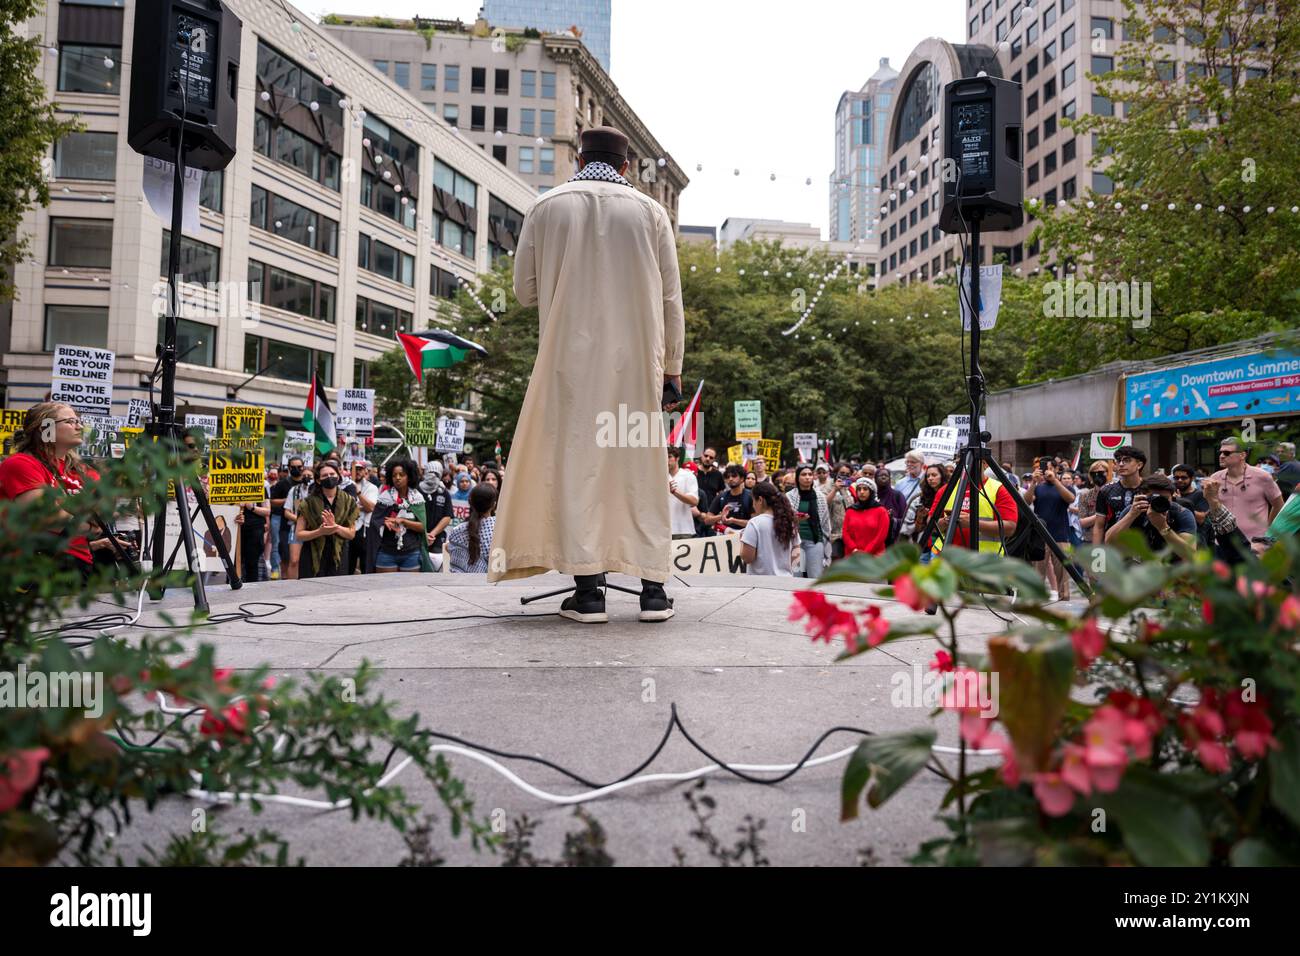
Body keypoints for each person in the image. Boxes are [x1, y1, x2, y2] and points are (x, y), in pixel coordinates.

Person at [488, 125, 683, 626]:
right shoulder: (652, 213)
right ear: (625, 167)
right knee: (639, 468)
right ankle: (654, 592)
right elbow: (669, 301)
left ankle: (589, 592)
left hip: (567, 369)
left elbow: (526, 292)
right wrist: (672, 370)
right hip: (636, 370)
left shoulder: (547, 206)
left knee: (576, 468)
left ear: (578, 159)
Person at [0, 402, 122, 583]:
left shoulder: (83, 471)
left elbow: (106, 514)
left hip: (79, 565)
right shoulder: (21, 464)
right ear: (45, 428)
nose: (79, 426)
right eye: (70, 421)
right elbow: (48, 518)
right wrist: (89, 524)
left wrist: (69, 513)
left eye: (78, 421)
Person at [1210, 437, 1283, 555]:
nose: (1222, 456)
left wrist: (1268, 531)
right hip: (1223, 544)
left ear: (1242, 455)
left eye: (1227, 453)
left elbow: (1278, 505)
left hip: (1255, 545)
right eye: (1221, 452)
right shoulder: (1214, 478)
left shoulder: (1262, 477)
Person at [1104, 474, 1197, 561]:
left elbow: (1191, 555)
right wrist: (1131, 515)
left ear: (1172, 497)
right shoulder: (1135, 510)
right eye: (1154, 498)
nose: (1159, 502)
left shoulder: (1181, 513)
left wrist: (1163, 527)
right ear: (1143, 496)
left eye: (1164, 499)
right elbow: (1109, 542)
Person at [927, 467, 1019, 556]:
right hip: (947, 559)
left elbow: (1010, 528)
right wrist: (947, 521)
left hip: (984, 561)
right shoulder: (946, 489)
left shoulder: (999, 489)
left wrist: (973, 523)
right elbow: (930, 524)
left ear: (985, 464)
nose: (967, 464)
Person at [294, 460, 359, 578]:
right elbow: (299, 534)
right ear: (318, 480)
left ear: (338, 476)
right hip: (312, 555)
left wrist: (335, 527)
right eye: (325, 475)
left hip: (338, 555)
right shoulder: (307, 503)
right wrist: (320, 532)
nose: (329, 477)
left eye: (332, 474)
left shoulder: (349, 501)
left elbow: (351, 534)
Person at [368, 459, 433, 573]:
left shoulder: (417, 498)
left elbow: (422, 527)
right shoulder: (384, 498)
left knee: (409, 590)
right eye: (394, 475)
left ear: (409, 476)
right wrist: (384, 523)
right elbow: (374, 522)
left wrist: (403, 521)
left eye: (401, 475)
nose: (397, 478)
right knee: (385, 590)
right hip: (386, 553)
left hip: (411, 554)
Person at [1025, 456, 1076, 600]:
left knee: (1063, 572)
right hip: (1040, 535)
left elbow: (1070, 499)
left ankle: (1064, 598)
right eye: (1045, 469)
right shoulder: (1038, 487)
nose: (1047, 472)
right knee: (1037, 570)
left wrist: (1055, 480)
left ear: (1056, 469)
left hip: (1061, 535)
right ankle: (1035, 597)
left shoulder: (1066, 487)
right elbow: (1027, 501)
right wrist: (1034, 483)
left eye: (1050, 468)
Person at [740, 480, 800, 576]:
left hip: (760, 583)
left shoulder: (754, 523)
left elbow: (747, 558)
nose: (753, 505)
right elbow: (796, 557)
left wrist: (742, 542)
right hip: (785, 580)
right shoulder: (789, 521)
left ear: (760, 500)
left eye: (753, 501)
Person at [1093, 446, 1147, 545]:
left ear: (1139, 465)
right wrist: (1096, 554)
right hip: (1115, 548)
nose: (1121, 464)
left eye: (1127, 460)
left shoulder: (1150, 489)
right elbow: (1099, 526)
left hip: (1145, 548)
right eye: (1118, 461)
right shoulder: (1106, 491)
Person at [786, 464, 831, 579]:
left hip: (815, 541)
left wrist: (826, 541)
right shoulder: (789, 496)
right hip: (795, 542)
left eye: (810, 474)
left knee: (815, 577)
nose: (807, 477)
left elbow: (825, 522)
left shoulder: (820, 497)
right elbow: (785, 519)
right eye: (804, 474)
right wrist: (795, 519)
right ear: (797, 478)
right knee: (796, 577)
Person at [269, 457, 306, 580]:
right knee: (284, 553)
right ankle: (284, 578)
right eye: (294, 467)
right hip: (285, 523)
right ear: (289, 468)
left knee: (298, 558)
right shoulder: (282, 484)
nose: (297, 469)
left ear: (303, 467)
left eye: (299, 467)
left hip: (304, 526)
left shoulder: (308, 484)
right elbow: (272, 501)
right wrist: (288, 501)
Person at [448, 483, 498, 573]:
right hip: (489, 584)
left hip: (458, 584)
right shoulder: (499, 530)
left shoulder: (457, 530)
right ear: (494, 505)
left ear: (470, 502)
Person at [901, 464, 946, 555]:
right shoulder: (920, 498)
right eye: (928, 476)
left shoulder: (952, 494)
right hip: (924, 545)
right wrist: (920, 517)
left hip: (945, 545)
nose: (930, 478)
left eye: (934, 475)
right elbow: (916, 530)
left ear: (943, 476)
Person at [841, 477, 890, 556]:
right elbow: (845, 532)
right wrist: (854, 549)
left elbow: (881, 535)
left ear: (871, 492)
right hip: (853, 555)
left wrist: (866, 552)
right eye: (859, 489)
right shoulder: (850, 510)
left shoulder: (881, 511)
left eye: (865, 489)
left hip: (874, 556)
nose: (862, 492)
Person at [699, 463, 754, 533]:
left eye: (734, 476)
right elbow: (707, 520)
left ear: (742, 478)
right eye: (727, 477)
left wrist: (734, 521)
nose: (730, 479)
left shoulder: (750, 496)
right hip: (725, 537)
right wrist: (721, 516)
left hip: (745, 536)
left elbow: (755, 523)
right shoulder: (721, 496)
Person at [420, 464, 454, 570]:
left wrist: (432, 534)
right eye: (430, 473)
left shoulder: (444, 493)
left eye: (436, 474)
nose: (432, 476)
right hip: (418, 536)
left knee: (437, 567)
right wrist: (423, 534)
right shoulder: (417, 490)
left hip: (437, 538)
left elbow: (447, 516)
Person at [233, 485, 270, 584]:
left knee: (252, 564)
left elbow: (267, 511)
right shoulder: (230, 486)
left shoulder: (259, 486)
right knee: (234, 563)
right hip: (235, 528)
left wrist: (252, 507)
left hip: (255, 531)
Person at [1171, 463, 1213, 551]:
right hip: (1176, 541)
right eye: (1176, 477)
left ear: (1192, 478)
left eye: (1184, 477)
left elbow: (1201, 518)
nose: (1179, 480)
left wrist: (1179, 501)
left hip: (1196, 543)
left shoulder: (1200, 495)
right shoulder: (1171, 494)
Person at [348, 460, 379, 574]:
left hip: (364, 531)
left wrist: (359, 493)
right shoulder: (344, 485)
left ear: (365, 471)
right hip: (348, 529)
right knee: (348, 565)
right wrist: (360, 507)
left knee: (365, 565)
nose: (357, 472)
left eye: (360, 469)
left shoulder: (372, 487)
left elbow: (370, 507)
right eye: (354, 469)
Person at [667, 447, 699, 540]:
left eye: (669, 457)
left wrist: (675, 492)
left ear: (677, 458)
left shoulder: (688, 476)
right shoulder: (659, 476)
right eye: (664, 457)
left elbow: (694, 501)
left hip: (683, 530)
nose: (666, 460)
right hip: (663, 529)